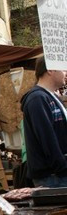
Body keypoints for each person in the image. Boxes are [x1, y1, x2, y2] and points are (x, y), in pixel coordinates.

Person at [20, 56, 67, 188]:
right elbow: (46, 137)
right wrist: (62, 167)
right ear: (50, 70)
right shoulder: (37, 99)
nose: (66, 73)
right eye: (63, 69)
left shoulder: (50, 97)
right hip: (53, 177)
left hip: (57, 175)